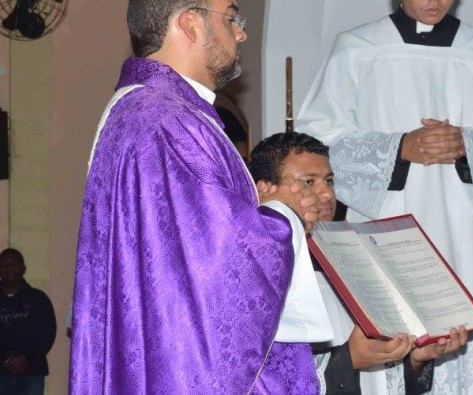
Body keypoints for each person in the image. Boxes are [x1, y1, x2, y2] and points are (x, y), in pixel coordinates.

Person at [296, 0, 473, 393]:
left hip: (466, 237)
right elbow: (319, 144)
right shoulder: (357, 48)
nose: (434, 2)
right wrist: (398, 149)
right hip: (385, 233)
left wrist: (468, 145)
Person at [71, 1, 322, 393]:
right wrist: (284, 215)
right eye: (232, 17)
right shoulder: (169, 123)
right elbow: (219, 266)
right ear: (190, 23)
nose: (241, 33)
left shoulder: (146, 111)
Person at [248, 132, 469, 394]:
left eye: (329, 181)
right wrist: (349, 360)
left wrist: (414, 358)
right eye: (309, 182)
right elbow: (258, 373)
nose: (327, 194)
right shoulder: (255, 267)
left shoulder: (353, 255)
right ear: (265, 189)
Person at [0, 248, 56, 395]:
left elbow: (47, 335)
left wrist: (25, 358)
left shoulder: (38, 299)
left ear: (23, 269)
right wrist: (5, 360)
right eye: (4, 265)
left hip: (32, 374)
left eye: (14, 265)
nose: (9, 269)